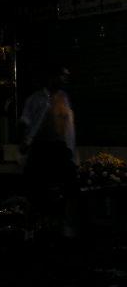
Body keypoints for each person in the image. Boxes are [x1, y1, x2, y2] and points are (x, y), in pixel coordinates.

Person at [19, 65, 78, 238]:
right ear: (52, 77)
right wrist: (24, 142)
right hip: (41, 149)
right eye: (62, 76)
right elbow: (24, 122)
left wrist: (71, 150)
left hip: (60, 149)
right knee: (37, 190)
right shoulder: (35, 99)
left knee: (69, 187)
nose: (65, 80)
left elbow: (68, 126)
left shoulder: (64, 98)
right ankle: (34, 229)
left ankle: (62, 227)